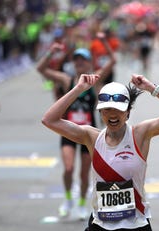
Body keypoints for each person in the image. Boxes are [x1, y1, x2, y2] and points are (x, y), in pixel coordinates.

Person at [42, 73, 159, 231]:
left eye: (118, 109)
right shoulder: (92, 137)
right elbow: (49, 120)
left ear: (127, 112)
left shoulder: (140, 134)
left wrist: (151, 88)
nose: (112, 115)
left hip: (136, 226)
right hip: (101, 226)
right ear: (100, 112)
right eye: (107, 109)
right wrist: (78, 89)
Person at [36, 32, 116, 220]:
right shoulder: (67, 80)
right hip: (68, 131)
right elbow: (41, 69)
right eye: (76, 60)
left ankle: (81, 204)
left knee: (83, 173)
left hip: (87, 134)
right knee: (69, 168)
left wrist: (103, 41)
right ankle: (68, 200)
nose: (79, 63)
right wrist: (51, 52)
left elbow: (113, 60)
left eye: (83, 60)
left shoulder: (95, 80)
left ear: (89, 62)